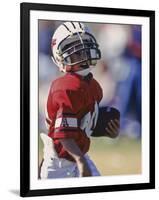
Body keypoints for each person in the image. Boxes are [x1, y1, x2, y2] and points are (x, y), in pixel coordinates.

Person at [40, 21, 120, 179]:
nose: (82, 55)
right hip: (59, 163)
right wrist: (80, 161)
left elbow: (82, 126)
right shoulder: (65, 88)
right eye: (75, 51)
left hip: (79, 155)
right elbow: (64, 136)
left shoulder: (94, 86)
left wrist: (108, 130)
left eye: (84, 49)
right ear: (60, 57)